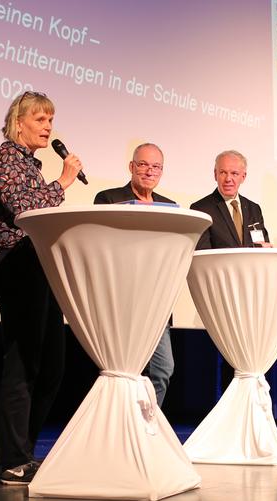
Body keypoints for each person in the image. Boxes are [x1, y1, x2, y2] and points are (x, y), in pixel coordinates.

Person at [0, 91, 84, 485]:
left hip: (41, 265)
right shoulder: (3, 159)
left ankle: (24, 451)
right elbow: (24, 211)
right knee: (22, 364)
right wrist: (64, 181)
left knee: (52, 367)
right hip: (17, 266)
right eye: (41, 120)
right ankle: (12, 458)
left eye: (50, 121)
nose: (48, 128)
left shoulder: (31, 165)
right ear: (19, 121)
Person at [94, 143, 175, 407]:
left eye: (156, 167)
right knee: (123, 372)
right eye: (143, 165)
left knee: (163, 370)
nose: (149, 171)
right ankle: (119, 428)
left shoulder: (171, 207)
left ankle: (145, 428)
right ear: (131, 167)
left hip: (156, 300)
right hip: (120, 299)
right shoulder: (108, 199)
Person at [190, 150, 271, 390]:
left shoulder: (253, 208)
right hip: (222, 292)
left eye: (234, 173)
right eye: (223, 172)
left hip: (251, 292)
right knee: (229, 356)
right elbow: (202, 254)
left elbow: (261, 241)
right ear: (215, 174)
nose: (228, 178)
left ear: (243, 176)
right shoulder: (202, 207)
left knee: (251, 354)